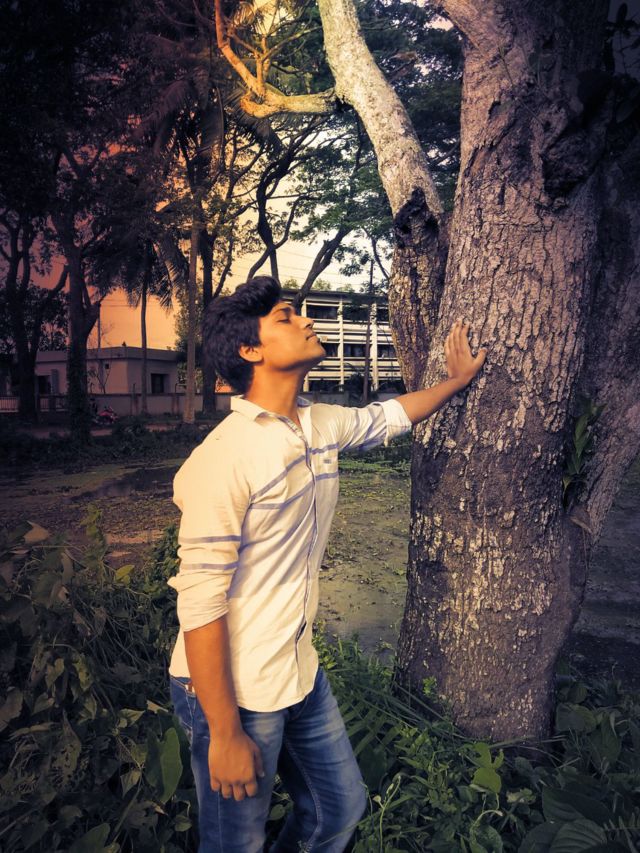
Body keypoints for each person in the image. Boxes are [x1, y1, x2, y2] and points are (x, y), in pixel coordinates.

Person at [168, 276, 487, 852]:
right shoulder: (223, 458)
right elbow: (200, 603)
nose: (306, 320)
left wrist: (456, 381)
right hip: (231, 689)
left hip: (298, 670)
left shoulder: (317, 423)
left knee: (338, 810)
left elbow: (388, 416)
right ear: (251, 350)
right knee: (235, 844)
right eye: (286, 317)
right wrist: (224, 732)